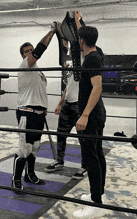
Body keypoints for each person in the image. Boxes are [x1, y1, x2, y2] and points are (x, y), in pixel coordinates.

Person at [11, 22, 57, 192]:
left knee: (35, 147)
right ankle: (15, 179)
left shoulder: (39, 72)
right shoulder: (25, 66)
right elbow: (40, 49)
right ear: (23, 56)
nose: (30, 53)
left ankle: (29, 174)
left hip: (39, 114)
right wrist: (52, 32)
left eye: (31, 51)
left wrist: (44, 108)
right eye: (27, 51)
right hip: (26, 113)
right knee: (25, 149)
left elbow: (40, 92)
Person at [72, 13, 107, 218]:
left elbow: (97, 88)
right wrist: (79, 21)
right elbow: (84, 36)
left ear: (82, 41)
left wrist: (84, 115)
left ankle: (96, 204)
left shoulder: (92, 59)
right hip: (98, 113)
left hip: (91, 115)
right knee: (98, 153)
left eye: (79, 38)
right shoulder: (97, 52)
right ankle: (98, 195)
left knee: (92, 157)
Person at [45, 52, 87, 180]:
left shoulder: (82, 59)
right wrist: (59, 104)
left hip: (79, 105)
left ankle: (85, 166)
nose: (69, 49)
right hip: (67, 105)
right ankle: (59, 161)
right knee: (61, 134)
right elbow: (67, 87)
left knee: (83, 138)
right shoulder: (69, 64)